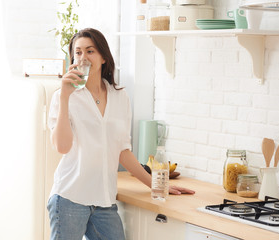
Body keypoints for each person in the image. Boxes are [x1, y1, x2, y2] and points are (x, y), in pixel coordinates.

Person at [47, 28, 195, 240]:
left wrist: (157, 184)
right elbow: (62, 147)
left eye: (90, 51)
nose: (83, 58)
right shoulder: (65, 96)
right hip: (70, 197)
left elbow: (123, 151)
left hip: (104, 201)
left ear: (104, 57)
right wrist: (64, 96)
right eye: (78, 52)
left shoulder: (120, 97)